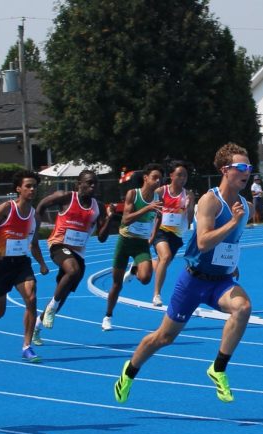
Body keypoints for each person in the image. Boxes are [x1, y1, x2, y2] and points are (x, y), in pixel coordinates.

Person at [113, 142, 253, 404]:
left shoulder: (246, 206)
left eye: (249, 166)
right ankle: (129, 371)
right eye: (242, 166)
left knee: (243, 308)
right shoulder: (210, 201)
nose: (248, 171)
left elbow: (233, 241)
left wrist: (233, 262)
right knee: (163, 337)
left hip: (221, 281)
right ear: (225, 170)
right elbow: (203, 242)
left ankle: (218, 368)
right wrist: (233, 221)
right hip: (193, 280)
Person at [33, 170, 112, 340]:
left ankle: (36, 327)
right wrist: (35, 227)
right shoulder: (67, 197)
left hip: (78, 253)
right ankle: (51, 308)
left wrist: (109, 219)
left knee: (63, 294)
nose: (92, 186)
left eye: (95, 183)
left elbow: (102, 238)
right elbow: (41, 205)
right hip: (58, 245)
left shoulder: (98, 206)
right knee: (73, 270)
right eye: (89, 182)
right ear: (79, 184)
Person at [0, 170, 49, 363]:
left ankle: (27, 346)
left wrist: (42, 264)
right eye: (28, 186)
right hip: (2, 263)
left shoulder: (35, 216)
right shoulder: (7, 208)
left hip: (21, 262)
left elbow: (34, 243)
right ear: (18, 189)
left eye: (35, 186)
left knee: (32, 297)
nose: (32, 189)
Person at [102, 163, 163, 330]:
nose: (157, 181)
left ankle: (134, 271)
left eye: (160, 178)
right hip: (125, 240)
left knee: (145, 279)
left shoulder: (158, 199)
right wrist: (147, 208)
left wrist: (153, 235)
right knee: (116, 284)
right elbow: (125, 219)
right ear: (146, 178)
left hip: (141, 243)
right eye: (154, 178)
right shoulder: (133, 195)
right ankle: (108, 316)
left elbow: (159, 217)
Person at [150, 160, 195, 307]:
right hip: (160, 231)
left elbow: (188, 223)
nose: (182, 178)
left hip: (176, 235)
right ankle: (156, 294)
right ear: (171, 176)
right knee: (166, 256)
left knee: (163, 263)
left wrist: (188, 208)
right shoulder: (160, 192)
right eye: (179, 175)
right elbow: (151, 212)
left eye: (185, 176)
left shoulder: (188, 195)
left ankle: (137, 266)